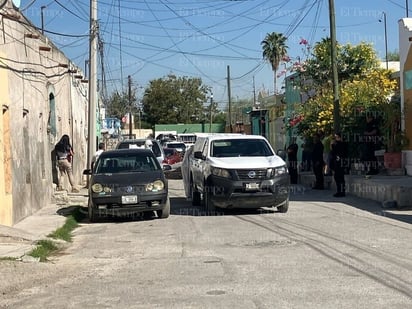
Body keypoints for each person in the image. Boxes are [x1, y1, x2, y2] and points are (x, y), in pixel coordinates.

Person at [330, 132, 348, 197]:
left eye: (337, 137)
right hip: (337, 162)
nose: (335, 139)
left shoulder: (341, 144)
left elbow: (336, 152)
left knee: (340, 177)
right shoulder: (337, 144)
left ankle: (341, 191)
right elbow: (333, 153)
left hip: (340, 162)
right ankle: (339, 191)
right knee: (337, 177)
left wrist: (332, 145)